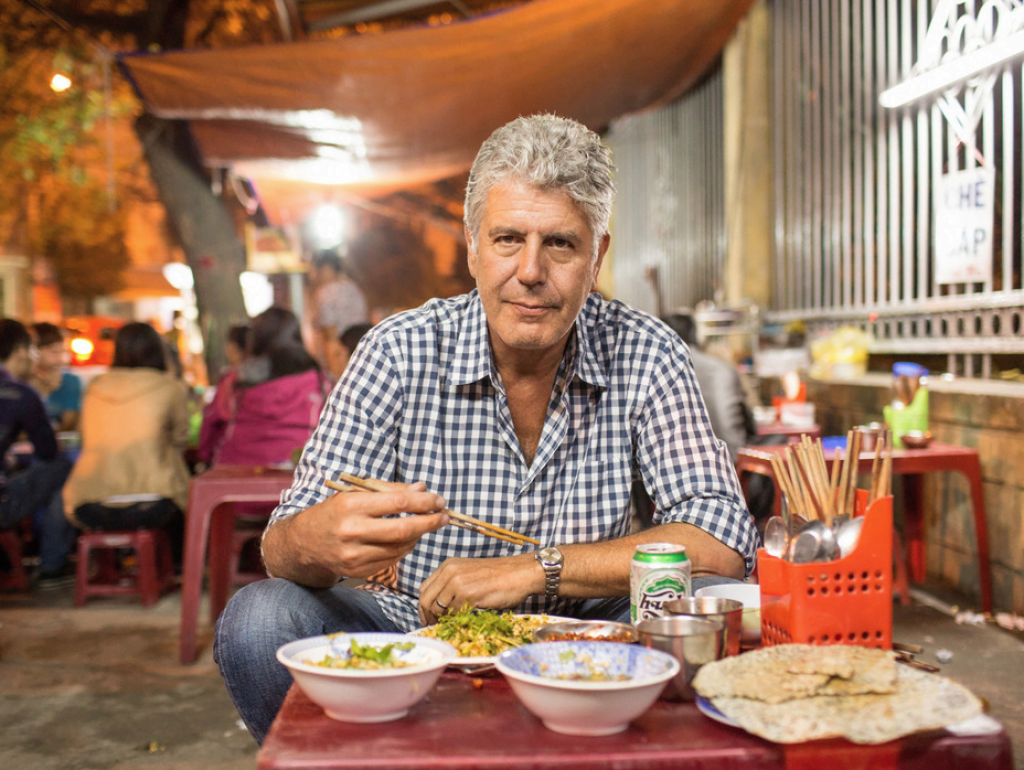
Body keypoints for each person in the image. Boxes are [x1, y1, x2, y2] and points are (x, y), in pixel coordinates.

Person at [214, 114, 758, 744]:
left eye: (560, 243)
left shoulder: (647, 351)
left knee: (720, 597)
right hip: (415, 629)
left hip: (587, 625)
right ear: (472, 246)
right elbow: (281, 546)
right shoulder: (397, 350)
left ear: (597, 255)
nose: (530, 271)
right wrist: (318, 540)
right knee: (259, 618)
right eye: (507, 240)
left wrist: (536, 569)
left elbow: (722, 535)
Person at [62, 322, 191, 566]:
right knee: (184, 485)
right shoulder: (170, 388)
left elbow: (84, 435)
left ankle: (116, 565)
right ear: (158, 351)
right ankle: (174, 566)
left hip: (87, 504)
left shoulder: (94, 387)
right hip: (154, 504)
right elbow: (180, 439)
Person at [0, 319, 75, 584]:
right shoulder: (19, 393)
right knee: (64, 467)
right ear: (21, 350)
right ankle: (53, 564)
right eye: (33, 349)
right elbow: (47, 451)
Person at [212, 307, 331, 467]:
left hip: (239, 469)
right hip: (300, 468)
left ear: (256, 339)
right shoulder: (318, 379)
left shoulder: (237, 376)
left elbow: (221, 414)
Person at [197, 324, 248, 466]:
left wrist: (204, 454)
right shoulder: (271, 378)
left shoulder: (231, 379)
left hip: (232, 456)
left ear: (232, 347)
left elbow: (214, 417)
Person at [308, 249, 368, 368]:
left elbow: (331, 336)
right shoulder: (353, 287)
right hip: (360, 352)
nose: (313, 275)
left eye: (315, 269)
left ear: (326, 268)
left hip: (340, 358)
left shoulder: (325, 293)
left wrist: (333, 368)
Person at [29, 322, 83, 432]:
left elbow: (68, 425)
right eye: (54, 352)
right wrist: (42, 391)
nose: (61, 359)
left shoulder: (70, 381)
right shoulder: (21, 381)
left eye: (64, 352)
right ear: (34, 351)